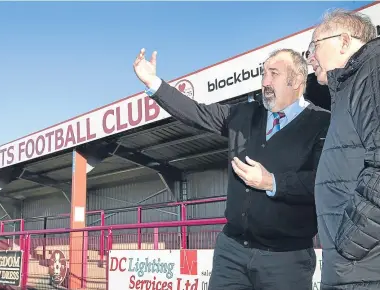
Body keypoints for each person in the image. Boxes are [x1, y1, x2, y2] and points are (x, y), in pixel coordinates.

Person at [133, 48, 330, 290]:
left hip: (286, 259)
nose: (265, 81)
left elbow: (324, 183)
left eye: (274, 73)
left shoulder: (322, 123)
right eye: (263, 73)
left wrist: (273, 182)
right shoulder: (244, 114)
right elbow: (197, 113)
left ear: (297, 79)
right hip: (231, 253)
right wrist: (154, 83)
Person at [307, 9, 380, 290]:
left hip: (370, 271)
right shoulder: (355, 83)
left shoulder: (378, 64)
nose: (310, 57)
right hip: (359, 269)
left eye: (314, 46)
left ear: (344, 41)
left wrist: (347, 245)